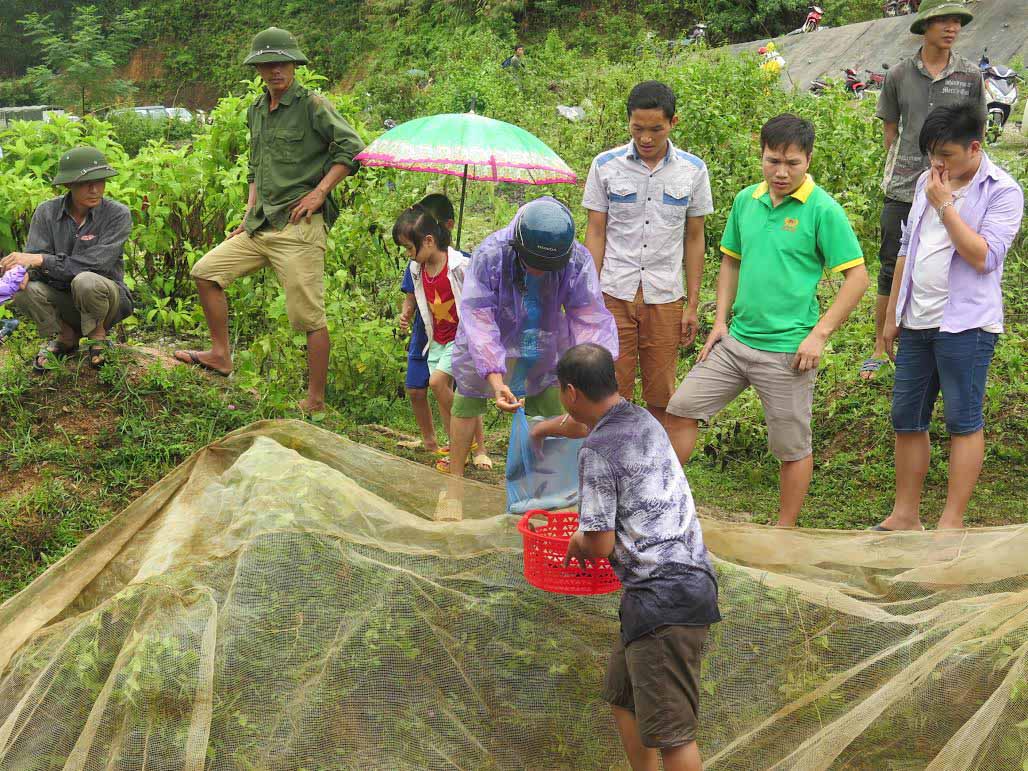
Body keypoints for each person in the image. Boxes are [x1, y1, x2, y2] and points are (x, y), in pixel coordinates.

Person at [665, 114, 869, 527]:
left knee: (791, 446)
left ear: (808, 160)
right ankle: (664, 503)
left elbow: (858, 277)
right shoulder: (746, 201)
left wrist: (819, 335)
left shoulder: (822, 210)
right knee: (681, 408)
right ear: (761, 155)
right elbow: (730, 262)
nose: (781, 172)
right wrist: (720, 320)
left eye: (791, 163)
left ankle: (784, 529)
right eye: (772, 160)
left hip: (788, 352)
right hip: (736, 342)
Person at [532, 343, 720, 771]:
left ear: (571, 392)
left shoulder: (597, 453)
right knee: (624, 697)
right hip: (682, 583)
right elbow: (590, 428)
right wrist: (546, 429)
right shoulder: (641, 419)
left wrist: (575, 542)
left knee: (674, 735)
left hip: (663, 598)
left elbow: (597, 543)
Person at [174, 26, 365, 413]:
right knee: (206, 272)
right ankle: (220, 355)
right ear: (258, 69)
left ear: (294, 65)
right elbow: (256, 168)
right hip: (261, 225)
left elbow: (353, 148)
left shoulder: (313, 105)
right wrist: (248, 213)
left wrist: (320, 191)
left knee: (308, 315)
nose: (276, 70)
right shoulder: (256, 111)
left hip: (298, 228)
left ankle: (315, 401)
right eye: (267, 64)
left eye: (282, 63)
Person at [874, 105, 1023, 531]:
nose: (937, 164)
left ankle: (951, 522)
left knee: (963, 420)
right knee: (906, 416)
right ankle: (905, 515)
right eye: (931, 155)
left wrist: (945, 207)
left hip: (966, 326)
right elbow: (907, 247)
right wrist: (890, 318)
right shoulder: (927, 180)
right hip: (917, 322)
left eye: (946, 155)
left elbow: (984, 257)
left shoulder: (1003, 191)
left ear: (975, 147)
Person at [437, 196, 618, 520]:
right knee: (467, 403)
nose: (539, 271)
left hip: (543, 340)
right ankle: (454, 488)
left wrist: (589, 372)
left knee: (549, 408)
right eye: (533, 264)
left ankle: (544, 495)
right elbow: (479, 317)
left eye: (547, 267)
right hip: (491, 340)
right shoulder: (493, 254)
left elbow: (588, 317)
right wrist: (494, 378)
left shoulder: (576, 260)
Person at [862, 0, 986, 380]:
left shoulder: (970, 76)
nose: (951, 28)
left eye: (956, 22)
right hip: (903, 186)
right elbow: (890, 132)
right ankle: (881, 347)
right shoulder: (899, 75)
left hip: (955, 187)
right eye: (943, 21)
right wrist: (910, 170)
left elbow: (977, 135)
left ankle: (945, 338)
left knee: (951, 259)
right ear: (924, 26)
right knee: (891, 264)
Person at [583, 80, 713, 429]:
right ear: (628, 122)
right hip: (613, 293)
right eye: (638, 128)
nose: (646, 138)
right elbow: (595, 231)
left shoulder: (693, 170)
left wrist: (692, 304)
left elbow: (695, 237)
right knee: (610, 388)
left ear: (673, 122)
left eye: (656, 129)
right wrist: (589, 294)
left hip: (665, 296)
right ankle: (612, 464)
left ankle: (651, 466)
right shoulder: (605, 165)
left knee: (661, 393)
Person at [0, 146, 132, 371]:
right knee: (23, 288)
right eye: (85, 183)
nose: (95, 189)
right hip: (65, 298)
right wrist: (22, 274)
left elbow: (96, 264)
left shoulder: (117, 214)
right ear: (68, 185)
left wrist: (41, 260)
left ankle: (98, 336)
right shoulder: (46, 213)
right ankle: (66, 336)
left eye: (100, 181)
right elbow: (34, 260)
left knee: (86, 280)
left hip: (107, 300)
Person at [394, 202, 490, 471]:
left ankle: (471, 441)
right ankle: (456, 446)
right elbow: (413, 299)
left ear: (428, 240)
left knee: (437, 383)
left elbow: (484, 299)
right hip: (435, 339)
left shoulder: (461, 266)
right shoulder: (417, 270)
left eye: (410, 248)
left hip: (461, 339)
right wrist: (405, 314)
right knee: (447, 397)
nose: (408, 254)